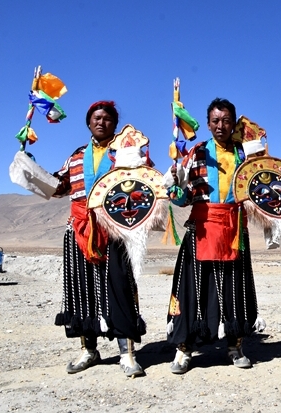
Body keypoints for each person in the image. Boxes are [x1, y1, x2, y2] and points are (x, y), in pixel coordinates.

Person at [165, 98, 264, 374]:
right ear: (208, 124)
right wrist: (176, 182)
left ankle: (235, 346)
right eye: (215, 121)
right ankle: (184, 349)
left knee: (235, 290)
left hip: (234, 230)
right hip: (202, 229)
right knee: (193, 290)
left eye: (226, 120)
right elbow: (181, 199)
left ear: (233, 123)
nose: (221, 126)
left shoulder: (245, 155)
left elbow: (261, 191)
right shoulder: (195, 153)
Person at [51, 101, 146, 377]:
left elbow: (144, 184)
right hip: (80, 229)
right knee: (82, 291)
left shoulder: (126, 153)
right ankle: (88, 350)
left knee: (120, 288)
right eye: (96, 118)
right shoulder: (77, 156)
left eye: (107, 118)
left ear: (115, 124)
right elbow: (59, 187)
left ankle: (127, 354)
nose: (101, 122)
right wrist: (30, 171)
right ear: (88, 123)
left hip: (115, 230)